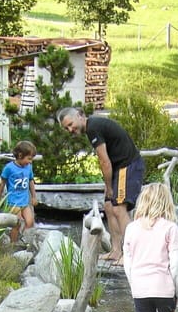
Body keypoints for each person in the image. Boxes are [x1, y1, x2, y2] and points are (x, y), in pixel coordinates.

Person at [56, 107, 144, 263]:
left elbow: (104, 161)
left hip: (128, 165)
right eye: (66, 128)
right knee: (109, 207)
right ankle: (115, 251)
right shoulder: (93, 128)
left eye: (70, 124)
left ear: (79, 116)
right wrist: (108, 186)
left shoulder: (93, 127)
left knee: (119, 208)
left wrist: (109, 187)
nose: (70, 129)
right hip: (119, 168)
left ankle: (131, 254)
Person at [122, 182, 178, 312]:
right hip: (163, 286)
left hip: (139, 288)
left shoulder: (131, 228)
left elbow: (128, 264)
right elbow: (176, 265)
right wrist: (177, 292)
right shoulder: (170, 228)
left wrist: (133, 284)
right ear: (166, 202)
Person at [0, 140, 38, 245]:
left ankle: (23, 240)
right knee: (16, 223)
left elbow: (31, 181)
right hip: (13, 201)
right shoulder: (9, 168)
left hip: (24, 201)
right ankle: (13, 245)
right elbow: (2, 183)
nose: (30, 161)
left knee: (30, 222)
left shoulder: (28, 167)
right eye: (29, 158)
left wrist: (34, 196)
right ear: (20, 155)